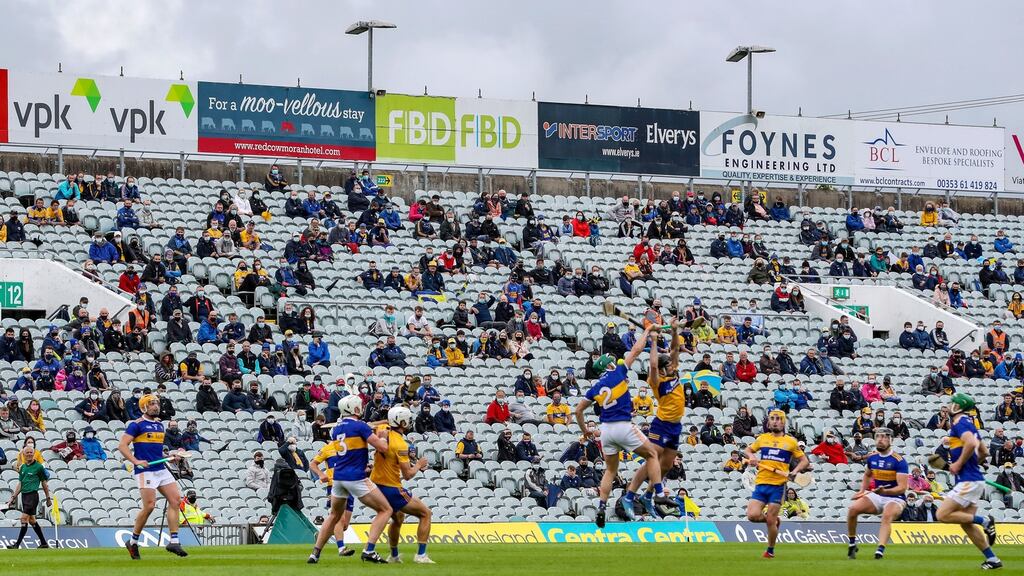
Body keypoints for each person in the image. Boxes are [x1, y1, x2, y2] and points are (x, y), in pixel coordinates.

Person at [575, 324, 662, 528]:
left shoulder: (595, 388)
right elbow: (637, 350)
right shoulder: (619, 372)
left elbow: (578, 411)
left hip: (605, 431)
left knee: (610, 471)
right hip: (623, 425)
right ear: (611, 365)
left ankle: (602, 507)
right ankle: (659, 494)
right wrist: (647, 332)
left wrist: (585, 431)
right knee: (652, 455)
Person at [308, 396, 392, 564]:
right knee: (386, 510)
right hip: (355, 477)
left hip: (338, 478)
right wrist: (382, 436)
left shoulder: (336, 428)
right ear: (355, 409)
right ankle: (369, 550)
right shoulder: (359, 425)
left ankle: (315, 553)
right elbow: (382, 447)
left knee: (333, 516)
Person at [624, 319, 685, 516]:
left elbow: (675, 349)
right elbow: (652, 364)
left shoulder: (673, 373)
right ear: (662, 368)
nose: (673, 367)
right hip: (661, 425)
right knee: (652, 459)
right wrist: (653, 339)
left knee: (666, 466)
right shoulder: (656, 379)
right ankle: (630, 495)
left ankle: (648, 495)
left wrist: (675, 331)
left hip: (676, 427)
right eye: (669, 366)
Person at [933, 393, 1001, 570]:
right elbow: (984, 452)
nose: (949, 406)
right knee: (966, 524)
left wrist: (958, 464)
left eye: (952, 403)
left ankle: (985, 521)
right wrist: (968, 465)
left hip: (968, 481)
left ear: (958, 407)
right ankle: (992, 559)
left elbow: (970, 443)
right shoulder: (970, 425)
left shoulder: (959, 423)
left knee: (941, 515)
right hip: (974, 479)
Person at [118, 394, 188, 559]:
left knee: (176, 500)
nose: (156, 406)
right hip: (145, 470)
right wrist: (136, 461)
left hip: (160, 468)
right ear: (144, 407)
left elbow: (158, 450)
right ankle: (133, 541)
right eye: (151, 404)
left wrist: (173, 454)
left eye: (157, 403)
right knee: (149, 506)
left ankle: (174, 541)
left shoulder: (159, 425)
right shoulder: (136, 425)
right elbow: (122, 446)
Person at [371, 406, 435, 564]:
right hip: (391, 486)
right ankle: (421, 555)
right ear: (403, 422)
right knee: (426, 513)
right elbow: (408, 475)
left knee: (398, 517)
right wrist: (419, 465)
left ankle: (393, 556)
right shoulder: (401, 445)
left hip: (376, 485)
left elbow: (368, 424)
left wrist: (388, 420)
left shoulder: (383, 429)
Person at [743, 410, 810, 559]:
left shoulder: (791, 442)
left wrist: (795, 472)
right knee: (752, 515)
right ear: (768, 422)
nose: (775, 421)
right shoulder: (762, 438)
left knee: (770, 521)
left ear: (783, 422)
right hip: (761, 483)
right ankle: (774, 520)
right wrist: (752, 457)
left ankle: (770, 550)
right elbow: (747, 450)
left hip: (778, 486)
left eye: (778, 419)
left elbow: (804, 461)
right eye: (772, 418)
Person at [845, 427, 908, 560]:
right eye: (878, 436)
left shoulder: (899, 460)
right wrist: (862, 490)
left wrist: (885, 491)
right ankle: (852, 543)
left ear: (891, 440)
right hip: (878, 495)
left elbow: (902, 488)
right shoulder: (872, 457)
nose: (880, 439)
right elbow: (867, 475)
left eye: (884, 437)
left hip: (896, 498)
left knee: (887, 515)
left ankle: (880, 550)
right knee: (852, 510)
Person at [5, 446, 52, 549]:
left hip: (33, 495)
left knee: (23, 518)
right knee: (32, 521)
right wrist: (13, 497)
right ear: (24, 454)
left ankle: (17, 544)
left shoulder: (39, 467)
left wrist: (48, 498)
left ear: (34, 453)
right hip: (24, 496)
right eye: (27, 452)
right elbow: (20, 484)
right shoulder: (23, 467)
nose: (29, 454)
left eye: (31, 452)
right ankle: (44, 543)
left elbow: (44, 483)